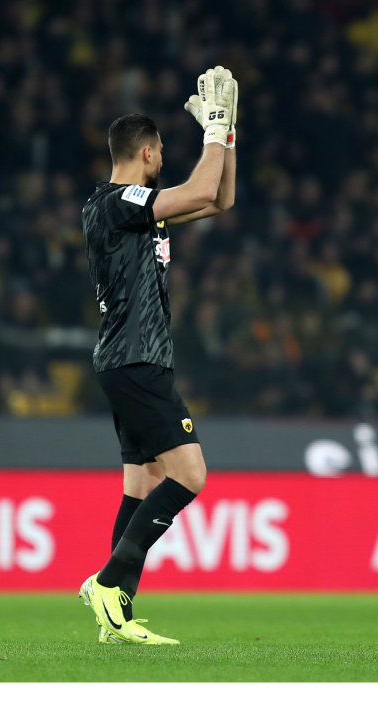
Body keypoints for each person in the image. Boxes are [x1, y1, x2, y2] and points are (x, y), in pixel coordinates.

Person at [77, 67, 238, 645]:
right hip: (136, 358)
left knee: (142, 482)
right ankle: (107, 582)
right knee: (190, 475)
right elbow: (199, 189)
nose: (165, 158)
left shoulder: (133, 210)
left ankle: (114, 612)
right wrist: (212, 128)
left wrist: (228, 135)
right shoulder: (115, 203)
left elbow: (219, 198)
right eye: (163, 150)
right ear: (147, 153)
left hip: (129, 360)